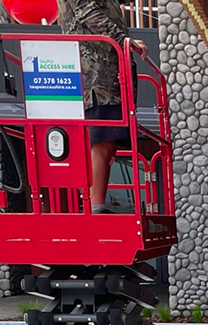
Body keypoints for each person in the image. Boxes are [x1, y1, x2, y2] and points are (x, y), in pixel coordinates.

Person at [56, 0, 148, 213]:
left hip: (106, 69)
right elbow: (88, 12)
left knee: (108, 140)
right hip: (95, 70)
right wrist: (124, 41)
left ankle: (96, 204)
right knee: (101, 137)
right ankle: (95, 206)